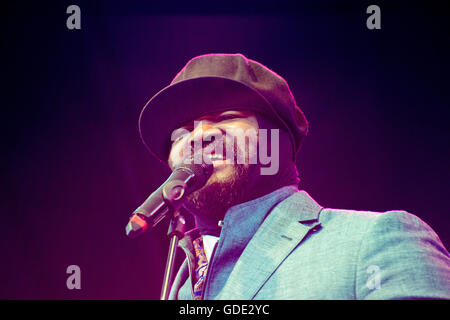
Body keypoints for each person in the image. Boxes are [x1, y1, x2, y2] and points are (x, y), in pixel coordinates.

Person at [138, 53, 450, 299]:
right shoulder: (179, 286)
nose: (198, 136)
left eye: (227, 117)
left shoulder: (374, 240)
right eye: (182, 131)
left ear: (277, 141)